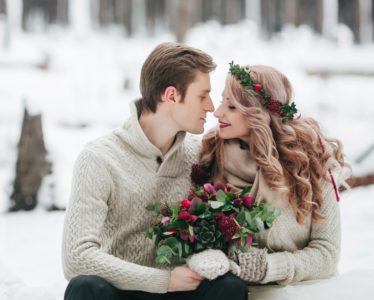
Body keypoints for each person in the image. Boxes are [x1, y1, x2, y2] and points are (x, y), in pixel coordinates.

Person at [62, 44, 248, 300]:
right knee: (85, 287)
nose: (210, 106)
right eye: (202, 96)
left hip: (182, 291)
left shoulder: (198, 155)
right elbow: (76, 257)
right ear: (171, 95)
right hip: (121, 291)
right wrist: (164, 280)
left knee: (229, 287)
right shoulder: (99, 159)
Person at [187, 62, 351, 293]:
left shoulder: (309, 162)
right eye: (222, 101)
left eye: (231, 106)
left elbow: (327, 253)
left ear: (259, 115)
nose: (217, 112)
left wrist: (271, 267)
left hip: (304, 291)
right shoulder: (210, 155)